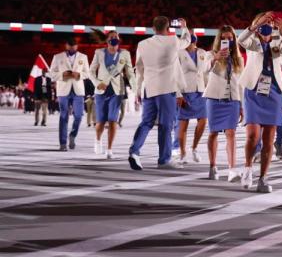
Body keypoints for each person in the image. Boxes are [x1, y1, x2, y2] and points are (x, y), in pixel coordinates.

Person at [130, 17, 191, 170]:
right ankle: (164, 160)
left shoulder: (142, 44)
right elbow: (187, 41)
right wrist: (184, 27)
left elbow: (139, 68)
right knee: (165, 125)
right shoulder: (173, 41)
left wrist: (138, 89)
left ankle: (134, 151)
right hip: (166, 88)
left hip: (149, 87)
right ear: (168, 28)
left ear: (153, 28)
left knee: (146, 122)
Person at [238, 13, 282, 192]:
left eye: (270, 21)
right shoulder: (252, 40)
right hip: (253, 91)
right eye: (264, 21)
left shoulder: (277, 40)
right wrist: (254, 26)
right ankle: (247, 168)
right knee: (253, 135)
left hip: (273, 92)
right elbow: (241, 40)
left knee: (269, 139)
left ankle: (263, 178)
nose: (268, 23)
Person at [202, 25, 245, 181]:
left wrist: (242, 106)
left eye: (230, 38)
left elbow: (240, 84)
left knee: (231, 133)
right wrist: (216, 58)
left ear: (234, 39)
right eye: (224, 38)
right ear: (218, 39)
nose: (227, 40)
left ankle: (232, 169)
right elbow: (204, 70)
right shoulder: (210, 55)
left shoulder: (238, 59)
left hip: (232, 101)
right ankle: (213, 166)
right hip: (214, 99)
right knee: (213, 133)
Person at [90, 30, 135, 160]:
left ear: (119, 39)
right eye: (111, 37)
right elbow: (91, 71)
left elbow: (130, 72)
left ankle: (109, 149)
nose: (114, 38)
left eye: (116, 36)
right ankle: (98, 140)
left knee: (113, 120)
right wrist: (97, 83)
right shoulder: (99, 53)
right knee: (100, 122)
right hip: (101, 90)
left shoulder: (124, 54)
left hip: (117, 90)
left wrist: (135, 87)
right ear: (107, 40)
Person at [50, 38, 90, 152]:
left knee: (79, 116)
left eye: (74, 45)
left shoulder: (83, 57)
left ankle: (72, 135)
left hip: (78, 90)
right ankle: (62, 143)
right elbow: (51, 73)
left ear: (77, 46)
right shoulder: (57, 57)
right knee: (63, 116)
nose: (72, 47)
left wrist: (79, 75)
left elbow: (88, 73)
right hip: (63, 90)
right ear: (66, 45)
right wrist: (63, 75)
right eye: (70, 45)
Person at [177, 34, 210, 163]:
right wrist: (178, 94)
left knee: (203, 121)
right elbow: (174, 74)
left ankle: (194, 148)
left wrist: (209, 90)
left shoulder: (202, 52)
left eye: (193, 37)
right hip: (185, 91)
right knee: (183, 124)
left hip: (201, 91)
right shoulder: (179, 53)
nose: (192, 39)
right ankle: (183, 153)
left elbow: (206, 72)